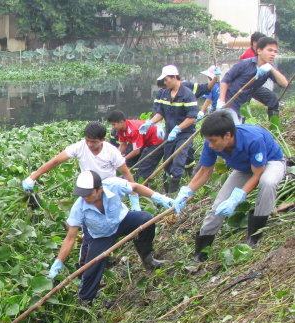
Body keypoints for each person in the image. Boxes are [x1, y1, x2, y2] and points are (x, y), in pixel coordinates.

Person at [172, 111, 286, 261]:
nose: (210, 145)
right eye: (208, 141)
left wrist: (237, 197)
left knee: (268, 182)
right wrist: (187, 191)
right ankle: (200, 252)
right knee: (218, 205)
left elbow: (258, 174)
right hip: (243, 168)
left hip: (270, 163)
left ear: (227, 135)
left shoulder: (253, 139)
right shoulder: (211, 144)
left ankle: (255, 236)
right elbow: (205, 171)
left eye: (213, 141)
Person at [47, 170, 171, 303]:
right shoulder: (79, 207)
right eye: (82, 195)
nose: (85, 198)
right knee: (91, 269)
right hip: (101, 235)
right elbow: (70, 238)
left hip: (122, 221)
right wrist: (59, 262)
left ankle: (147, 257)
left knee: (146, 219)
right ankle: (85, 300)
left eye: (88, 194)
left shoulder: (113, 185)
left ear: (99, 189)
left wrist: (160, 198)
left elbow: (135, 187)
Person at [22, 121, 139, 208]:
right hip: (88, 188)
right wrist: (33, 177)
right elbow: (56, 161)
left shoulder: (112, 152)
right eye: (87, 140)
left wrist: (134, 197)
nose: (89, 144)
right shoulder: (80, 146)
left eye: (94, 142)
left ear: (103, 140)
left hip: (108, 189)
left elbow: (126, 173)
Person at [140, 65, 198, 193]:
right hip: (169, 133)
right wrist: (150, 123)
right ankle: (166, 191)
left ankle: (174, 192)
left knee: (178, 161)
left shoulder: (187, 94)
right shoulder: (164, 93)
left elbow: (192, 117)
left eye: (166, 80)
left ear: (174, 77)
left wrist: (178, 128)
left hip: (184, 134)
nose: (164, 82)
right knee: (167, 162)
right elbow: (160, 113)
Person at [218, 37, 289, 130]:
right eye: (270, 50)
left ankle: (274, 129)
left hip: (244, 105)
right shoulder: (245, 64)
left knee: (272, 100)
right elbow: (225, 80)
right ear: (259, 51)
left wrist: (271, 68)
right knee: (235, 130)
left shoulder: (268, 69)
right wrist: (221, 101)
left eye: (275, 52)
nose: (273, 54)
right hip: (231, 101)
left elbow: (284, 84)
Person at [107, 110, 165, 179]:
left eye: (114, 124)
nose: (113, 127)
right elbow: (123, 145)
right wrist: (114, 157)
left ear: (121, 122)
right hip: (144, 142)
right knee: (128, 162)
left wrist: (122, 159)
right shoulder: (121, 129)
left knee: (142, 169)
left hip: (156, 143)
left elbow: (136, 151)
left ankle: (139, 185)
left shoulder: (133, 129)